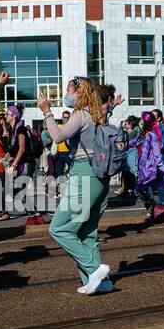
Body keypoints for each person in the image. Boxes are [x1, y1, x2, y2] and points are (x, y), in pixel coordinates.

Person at [40, 78, 115, 294]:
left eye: (69, 91)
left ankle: (94, 270)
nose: (67, 95)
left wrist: (47, 112)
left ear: (79, 93)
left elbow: (58, 137)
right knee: (87, 233)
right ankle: (101, 283)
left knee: (59, 228)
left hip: (84, 174)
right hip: (99, 177)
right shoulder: (98, 115)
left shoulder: (81, 114)